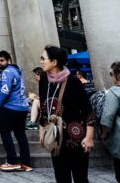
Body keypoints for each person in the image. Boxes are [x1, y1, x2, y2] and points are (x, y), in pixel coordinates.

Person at [38, 45, 94, 183]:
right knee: (61, 177)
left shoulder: (73, 82)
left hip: (76, 138)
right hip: (56, 139)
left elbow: (89, 111)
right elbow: (44, 108)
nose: (41, 62)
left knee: (80, 177)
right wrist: (42, 131)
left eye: (43, 59)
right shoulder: (44, 81)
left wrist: (89, 137)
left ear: (54, 62)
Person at [0, 50, 33, 172]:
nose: (0, 63)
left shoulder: (6, 72)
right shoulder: (18, 71)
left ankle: (12, 161)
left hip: (10, 107)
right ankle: (26, 163)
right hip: (22, 107)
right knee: (20, 133)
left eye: (2, 60)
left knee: (4, 131)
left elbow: (5, 91)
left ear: (9, 60)